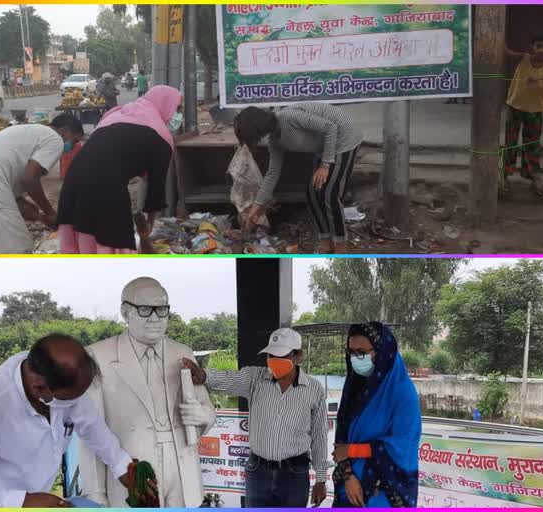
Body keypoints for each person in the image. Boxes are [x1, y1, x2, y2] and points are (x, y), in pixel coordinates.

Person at [0, 334, 156, 508]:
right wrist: (22, 501)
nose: (77, 404)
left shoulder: (56, 378)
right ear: (40, 388)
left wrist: (124, 467)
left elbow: (93, 426)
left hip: (38, 498)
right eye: (70, 399)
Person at [78, 277, 216, 507]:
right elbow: (91, 432)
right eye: (145, 310)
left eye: (161, 310)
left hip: (182, 468)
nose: (154, 318)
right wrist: (96, 496)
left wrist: (202, 417)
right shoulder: (98, 356)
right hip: (132, 469)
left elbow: (207, 410)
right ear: (125, 311)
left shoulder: (182, 352)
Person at [183, 327, 328, 508]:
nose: (274, 361)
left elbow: (319, 435)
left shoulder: (313, 389)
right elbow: (229, 379)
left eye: (282, 356)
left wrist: (321, 480)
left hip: (294, 474)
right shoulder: (255, 378)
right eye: (271, 356)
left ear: (297, 356)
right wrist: (203, 375)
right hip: (258, 472)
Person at [57, 85, 182, 254]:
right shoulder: (161, 135)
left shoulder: (115, 115)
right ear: (166, 105)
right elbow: (155, 190)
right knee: (112, 240)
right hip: (106, 187)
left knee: (83, 237)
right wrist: (147, 232)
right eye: (177, 108)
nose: (176, 114)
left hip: (73, 181)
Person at [234, 104, 364, 254]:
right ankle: (325, 241)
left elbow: (330, 127)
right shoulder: (274, 141)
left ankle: (340, 245)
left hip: (344, 137)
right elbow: (272, 173)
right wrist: (256, 206)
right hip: (324, 147)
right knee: (312, 194)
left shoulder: (289, 117)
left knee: (330, 195)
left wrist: (325, 165)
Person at [0, 113, 83, 254]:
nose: (71, 147)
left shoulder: (33, 133)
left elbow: (16, 200)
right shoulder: (54, 139)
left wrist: (41, 217)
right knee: (17, 247)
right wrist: (51, 213)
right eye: (74, 141)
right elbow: (30, 179)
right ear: (65, 131)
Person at [332, 322, 421, 508]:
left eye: (362, 352)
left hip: (384, 491)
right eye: (351, 352)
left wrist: (352, 451)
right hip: (348, 486)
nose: (356, 358)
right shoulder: (354, 388)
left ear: (382, 352)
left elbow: (403, 444)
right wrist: (348, 475)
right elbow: (340, 441)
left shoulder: (402, 393)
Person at [503, 34, 543, 195]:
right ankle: (504, 176)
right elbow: (505, 52)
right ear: (532, 47)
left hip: (535, 111)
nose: (542, 50)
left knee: (533, 145)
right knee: (511, 144)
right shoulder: (524, 58)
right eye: (538, 46)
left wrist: (542, 79)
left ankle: (533, 176)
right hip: (515, 107)